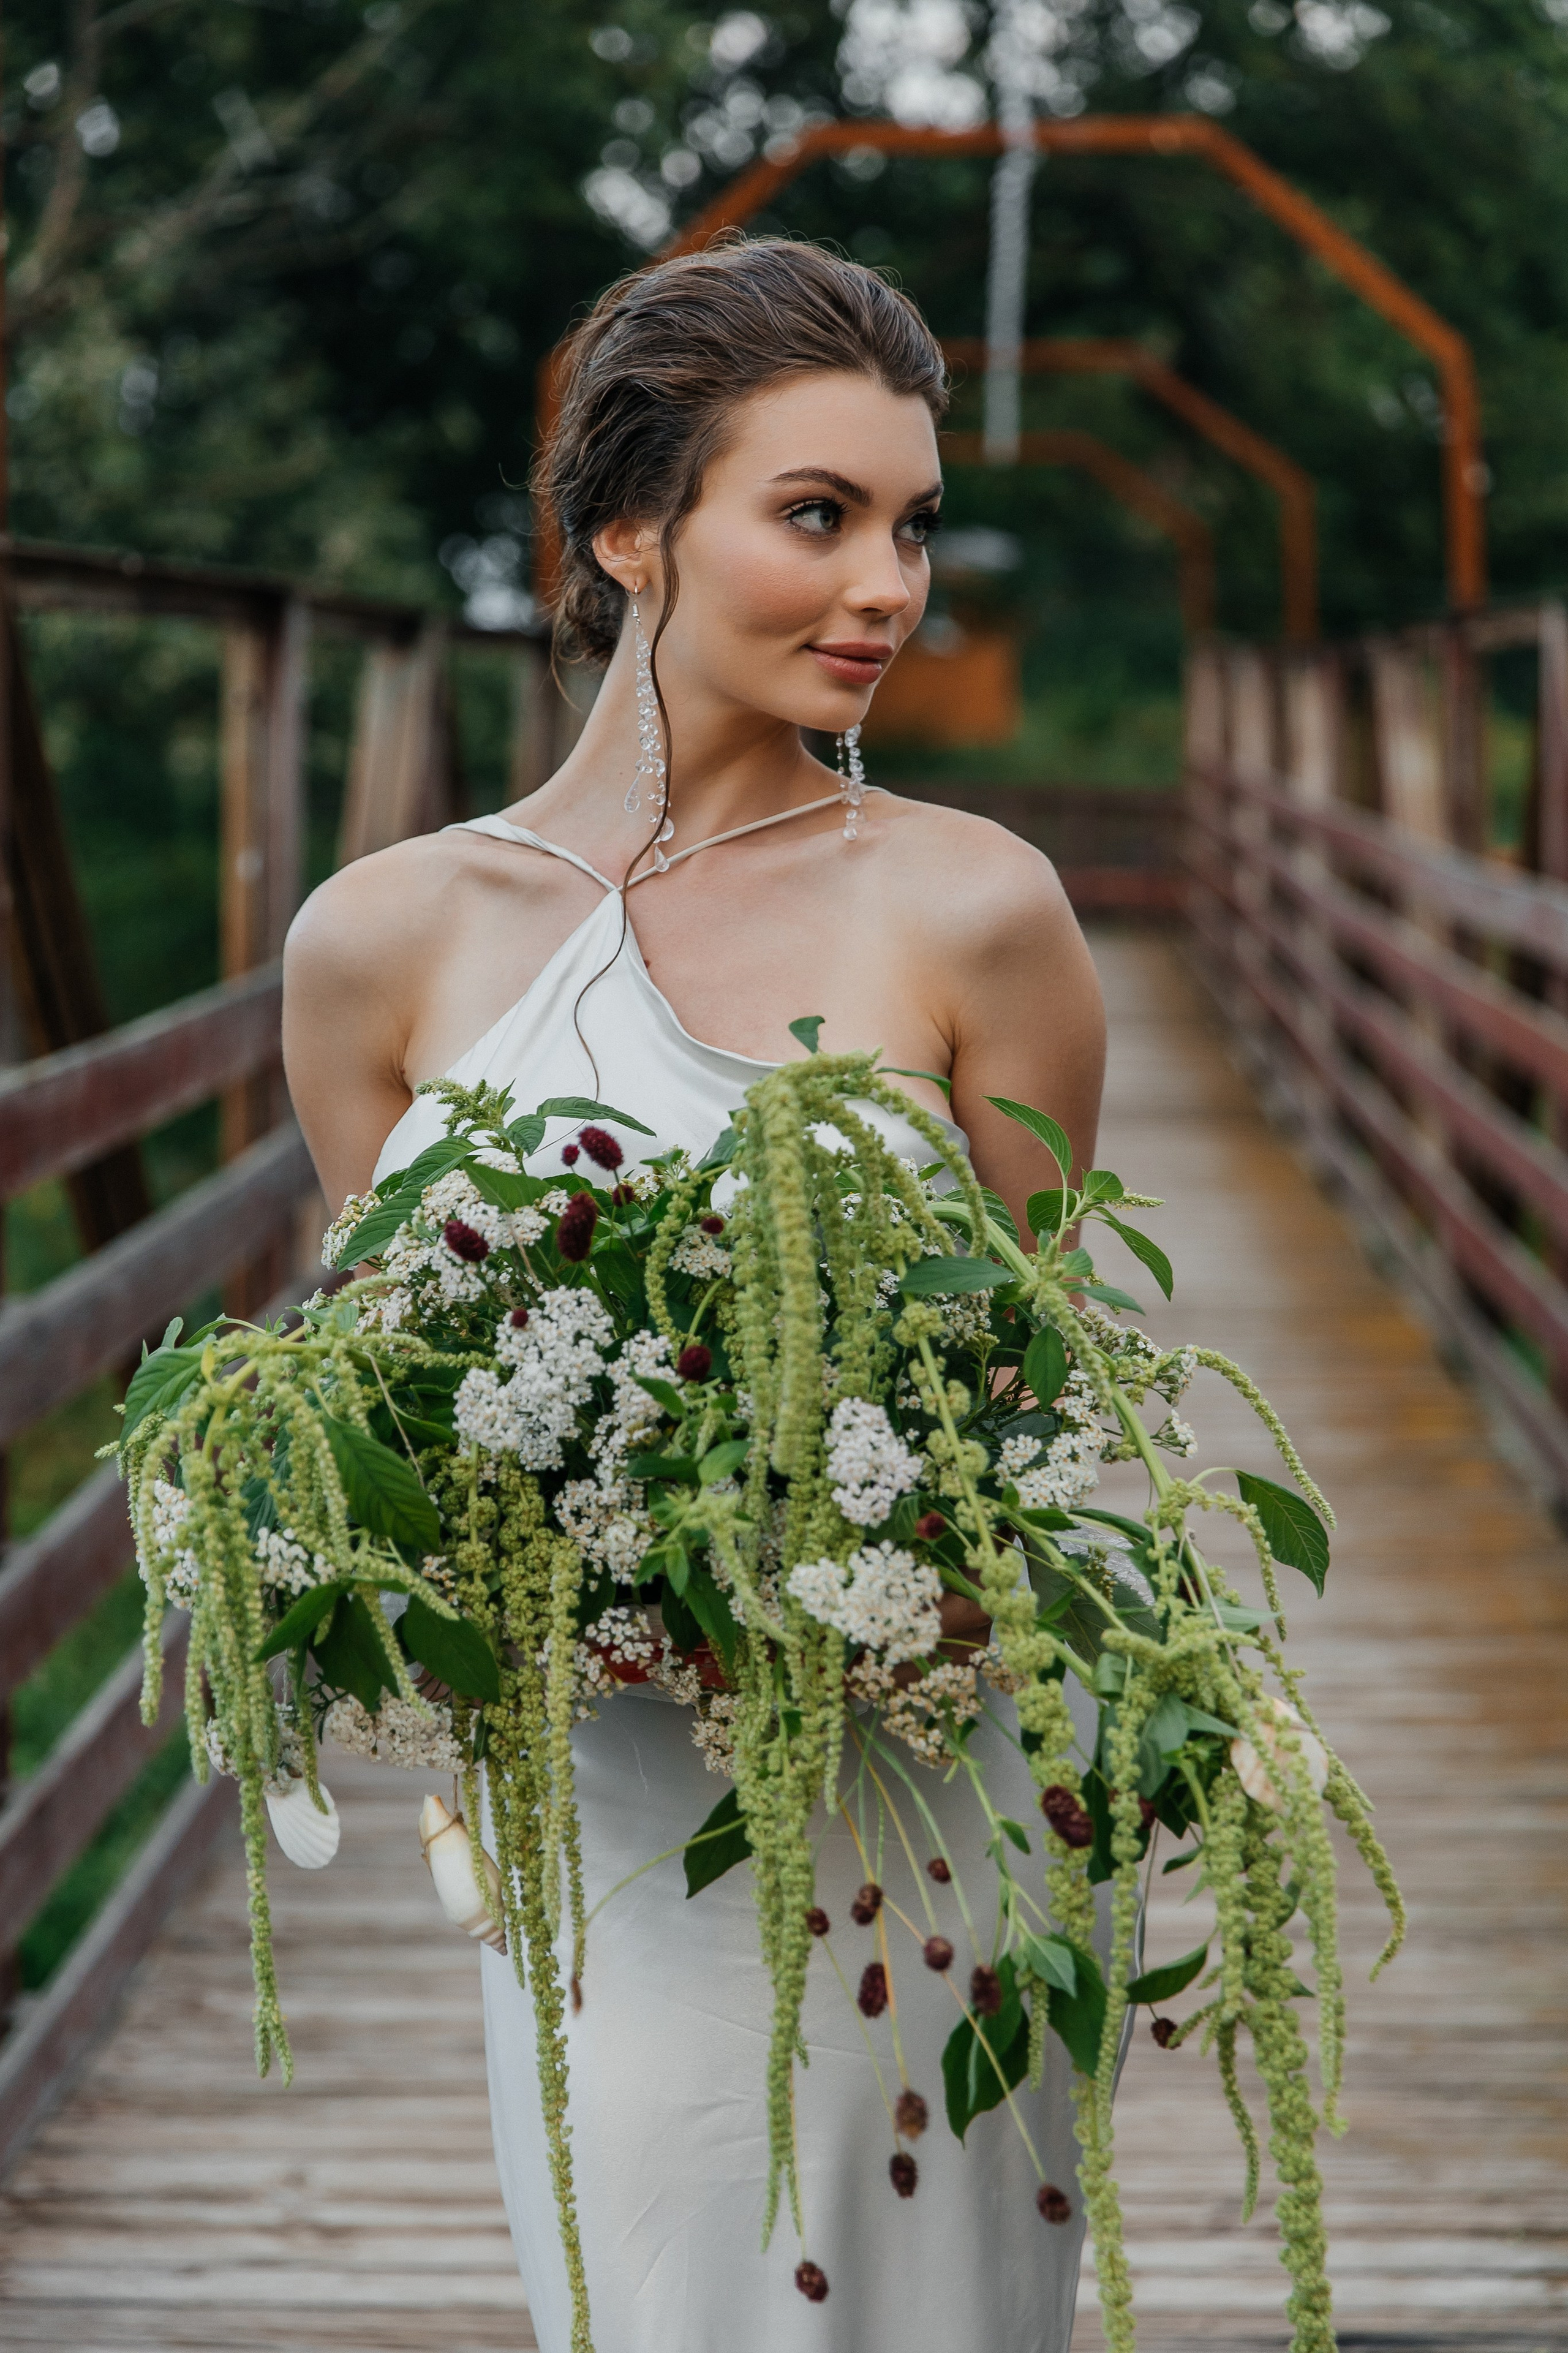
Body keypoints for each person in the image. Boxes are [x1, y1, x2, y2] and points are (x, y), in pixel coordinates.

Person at [283, 236, 1108, 2353]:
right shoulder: (385, 943)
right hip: (611, 1828)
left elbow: (1017, 1391)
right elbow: (380, 1409)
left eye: (913, 525)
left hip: (908, 1816)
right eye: (816, 516)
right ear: (629, 527)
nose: (888, 588)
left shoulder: (976, 909)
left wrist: (874, 1562)